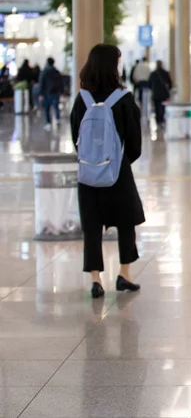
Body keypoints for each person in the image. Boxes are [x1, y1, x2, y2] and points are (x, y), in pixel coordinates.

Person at [70, 44, 144, 298]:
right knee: (126, 222)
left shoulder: (82, 98)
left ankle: (95, 279)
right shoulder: (123, 98)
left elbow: (74, 135)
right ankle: (124, 274)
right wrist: (119, 163)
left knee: (92, 226)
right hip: (117, 170)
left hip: (88, 172)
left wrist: (92, 158)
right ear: (114, 65)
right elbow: (135, 142)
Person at [39, 58, 64, 131]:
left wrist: (41, 93)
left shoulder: (44, 71)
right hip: (56, 92)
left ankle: (48, 123)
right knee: (56, 106)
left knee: (47, 108)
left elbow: (41, 82)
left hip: (47, 92)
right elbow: (60, 82)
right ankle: (58, 119)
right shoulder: (56, 71)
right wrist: (61, 91)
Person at [148, 60, 172, 126]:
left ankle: (158, 120)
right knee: (162, 107)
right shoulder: (165, 73)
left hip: (155, 93)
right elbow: (170, 84)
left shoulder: (153, 73)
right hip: (163, 94)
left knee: (156, 107)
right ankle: (161, 119)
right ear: (161, 65)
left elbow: (149, 83)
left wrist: (153, 89)